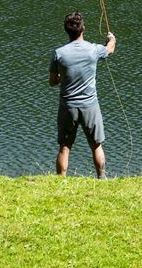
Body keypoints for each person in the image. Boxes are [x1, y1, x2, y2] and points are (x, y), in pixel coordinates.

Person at [49, 10, 116, 178]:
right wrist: (112, 39)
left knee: (65, 147)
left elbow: (52, 82)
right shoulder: (93, 50)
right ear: (83, 29)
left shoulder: (59, 53)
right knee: (96, 145)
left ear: (67, 30)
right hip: (90, 106)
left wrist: (61, 77)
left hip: (68, 107)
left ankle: (60, 181)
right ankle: (101, 178)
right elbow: (110, 50)